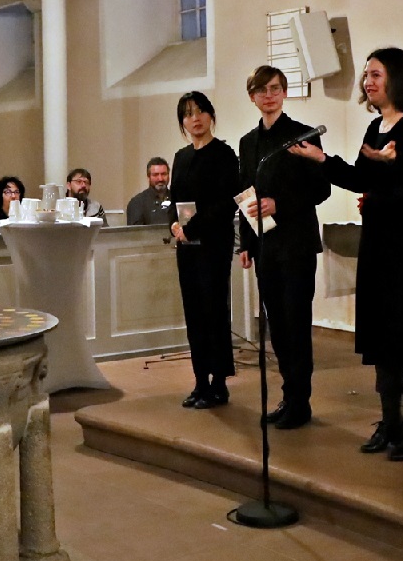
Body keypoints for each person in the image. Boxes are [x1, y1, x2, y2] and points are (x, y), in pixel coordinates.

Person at [290, 47, 403, 461]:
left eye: (376, 75)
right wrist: (323, 159)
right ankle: (390, 423)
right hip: (378, 244)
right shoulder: (376, 128)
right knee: (384, 335)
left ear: (397, 79)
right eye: (366, 76)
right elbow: (361, 179)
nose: (368, 82)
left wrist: (390, 167)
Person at [238, 65, 330, 430]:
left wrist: (280, 204)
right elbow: (245, 193)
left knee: (295, 323)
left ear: (284, 93)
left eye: (275, 88)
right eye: (261, 90)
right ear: (253, 97)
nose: (269, 95)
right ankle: (288, 394)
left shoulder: (302, 135)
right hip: (266, 246)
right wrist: (246, 241)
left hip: (297, 244)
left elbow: (320, 190)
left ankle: (300, 401)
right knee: (275, 324)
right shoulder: (248, 143)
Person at [169, 91, 241, 409]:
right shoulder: (181, 157)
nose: (195, 119)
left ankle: (219, 384)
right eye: (187, 114)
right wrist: (174, 225)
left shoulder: (224, 154)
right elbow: (175, 201)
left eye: (200, 111)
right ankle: (200, 381)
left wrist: (191, 228)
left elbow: (225, 204)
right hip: (187, 247)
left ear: (211, 115)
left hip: (213, 245)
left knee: (214, 312)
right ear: (182, 122)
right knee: (194, 314)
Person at [125, 157, 174, 226]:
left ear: (168, 176)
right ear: (148, 177)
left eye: (164, 174)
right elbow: (135, 235)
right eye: (155, 175)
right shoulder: (137, 203)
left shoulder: (178, 199)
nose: (160, 179)